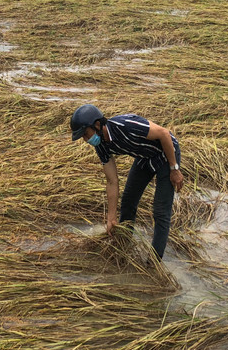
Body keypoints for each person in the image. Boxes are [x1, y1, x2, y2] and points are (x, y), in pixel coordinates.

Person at [70, 104, 183, 259]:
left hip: (166, 154)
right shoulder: (101, 146)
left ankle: (154, 262)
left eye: (85, 134)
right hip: (144, 156)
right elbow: (112, 181)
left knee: (160, 211)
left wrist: (174, 168)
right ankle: (124, 246)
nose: (85, 139)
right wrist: (111, 218)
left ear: (96, 125)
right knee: (128, 202)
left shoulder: (125, 125)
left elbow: (164, 134)